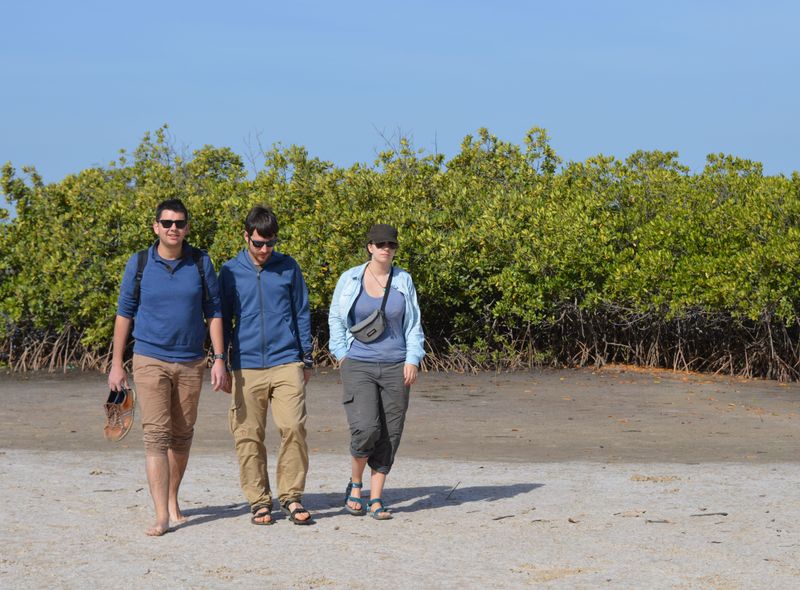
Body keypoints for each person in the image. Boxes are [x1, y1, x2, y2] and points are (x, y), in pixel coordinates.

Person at [108, 198, 227, 537]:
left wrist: (219, 359)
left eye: (180, 223)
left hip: (191, 361)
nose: (173, 228)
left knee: (182, 434)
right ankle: (161, 514)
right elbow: (124, 314)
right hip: (149, 359)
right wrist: (117, 364)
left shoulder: (201, 263)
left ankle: (173, 498)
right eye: (167, 223)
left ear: (187, 227)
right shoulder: (140, 263)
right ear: (156, 227)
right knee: (156, 436)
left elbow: (214, 311)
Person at [219, 205, 315, 526]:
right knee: (248, 435)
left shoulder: (289, 268)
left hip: (287, 360)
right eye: (258, 243)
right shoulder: (230, 271)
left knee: (293, 428)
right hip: (245, 365)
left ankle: (291, 496)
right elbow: (219, 319)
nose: (264, 250)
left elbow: (302, 312)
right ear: (246, 236)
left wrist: (307, 358)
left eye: (270, 244)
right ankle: (259, 501)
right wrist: (219, 360)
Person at [328, 223, 425, 520]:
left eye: (391, 245)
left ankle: (377, 497)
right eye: (380, 244)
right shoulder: (350, 278)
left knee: (390, 432)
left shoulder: (403, 280)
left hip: (397, 365)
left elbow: (413, 323)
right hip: (359, 364)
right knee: (366, 428)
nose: (386, 249)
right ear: (369, 246)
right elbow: (335, 317)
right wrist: (343, 355)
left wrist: (413, 359)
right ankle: (355, 485)